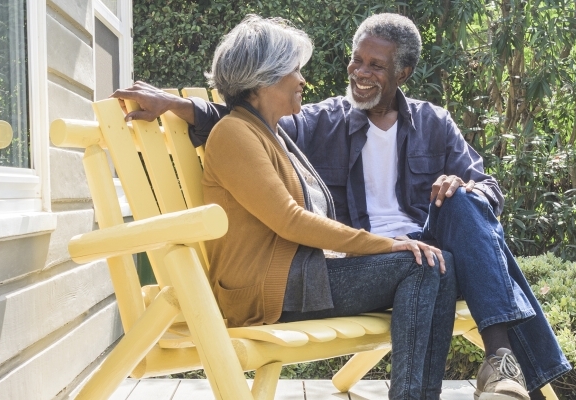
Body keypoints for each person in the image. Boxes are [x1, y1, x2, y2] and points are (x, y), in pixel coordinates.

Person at [113, 13, 571, 400]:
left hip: (402, 245)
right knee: (430, 265)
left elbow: (489, 189)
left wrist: (461, 188)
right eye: (358, 60)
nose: (358, 72)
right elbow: (244, 128)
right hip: (339, 260)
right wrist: (175, 103)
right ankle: (507, 364)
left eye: (376, 65)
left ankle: (500, 359)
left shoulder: (433, 123)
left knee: (463, 204)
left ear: (402, 73)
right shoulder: (309, 122)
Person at [191, 15, 458, 400]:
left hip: (301, 278)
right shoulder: (235, 134)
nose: (303, 81)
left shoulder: (274, 135)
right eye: (294, 71)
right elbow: (290, 221)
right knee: (420, 265)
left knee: (438, 266)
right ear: (264, 78)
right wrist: (385, 244)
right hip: (267, 291)